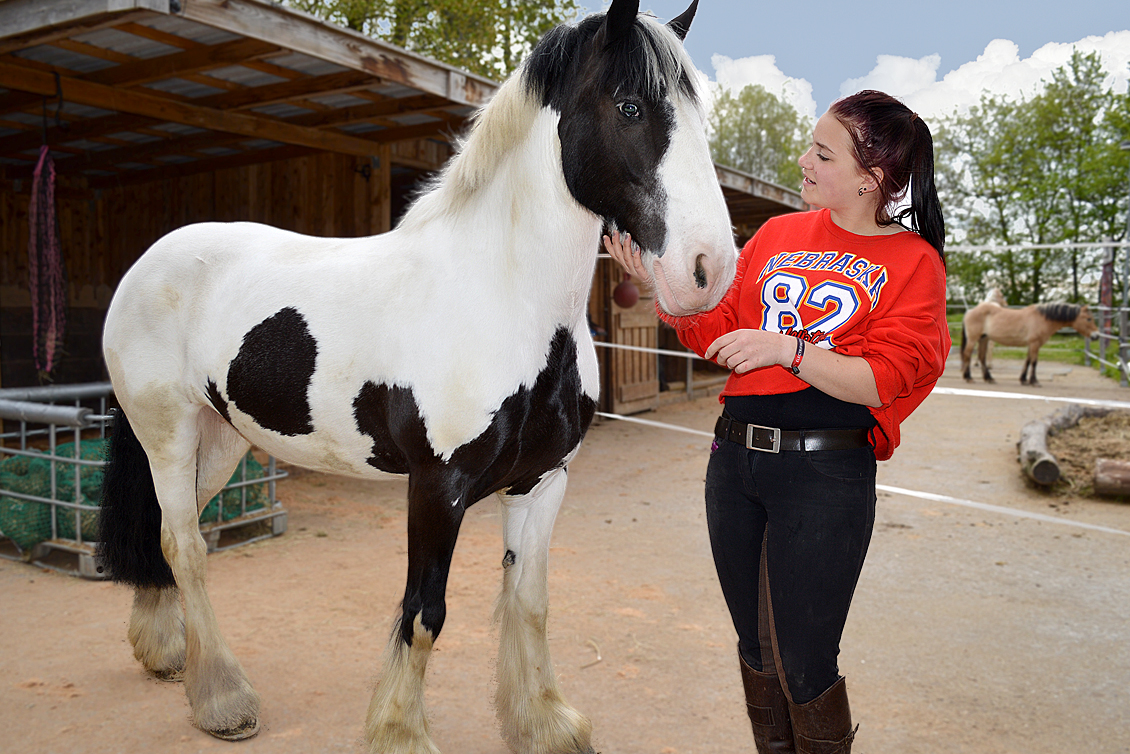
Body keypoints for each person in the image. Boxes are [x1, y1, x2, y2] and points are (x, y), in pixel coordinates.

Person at [604, 90, 949, 753]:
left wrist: (789, 349)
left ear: (869, 179)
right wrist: (659, 290)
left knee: (804, 661)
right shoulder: (777, 235)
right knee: (757, 652)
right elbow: (717, 331)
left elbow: (887, 379)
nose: (804, 161)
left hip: (824, 471)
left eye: (822, 153)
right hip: (734, 463)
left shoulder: (913, 263)